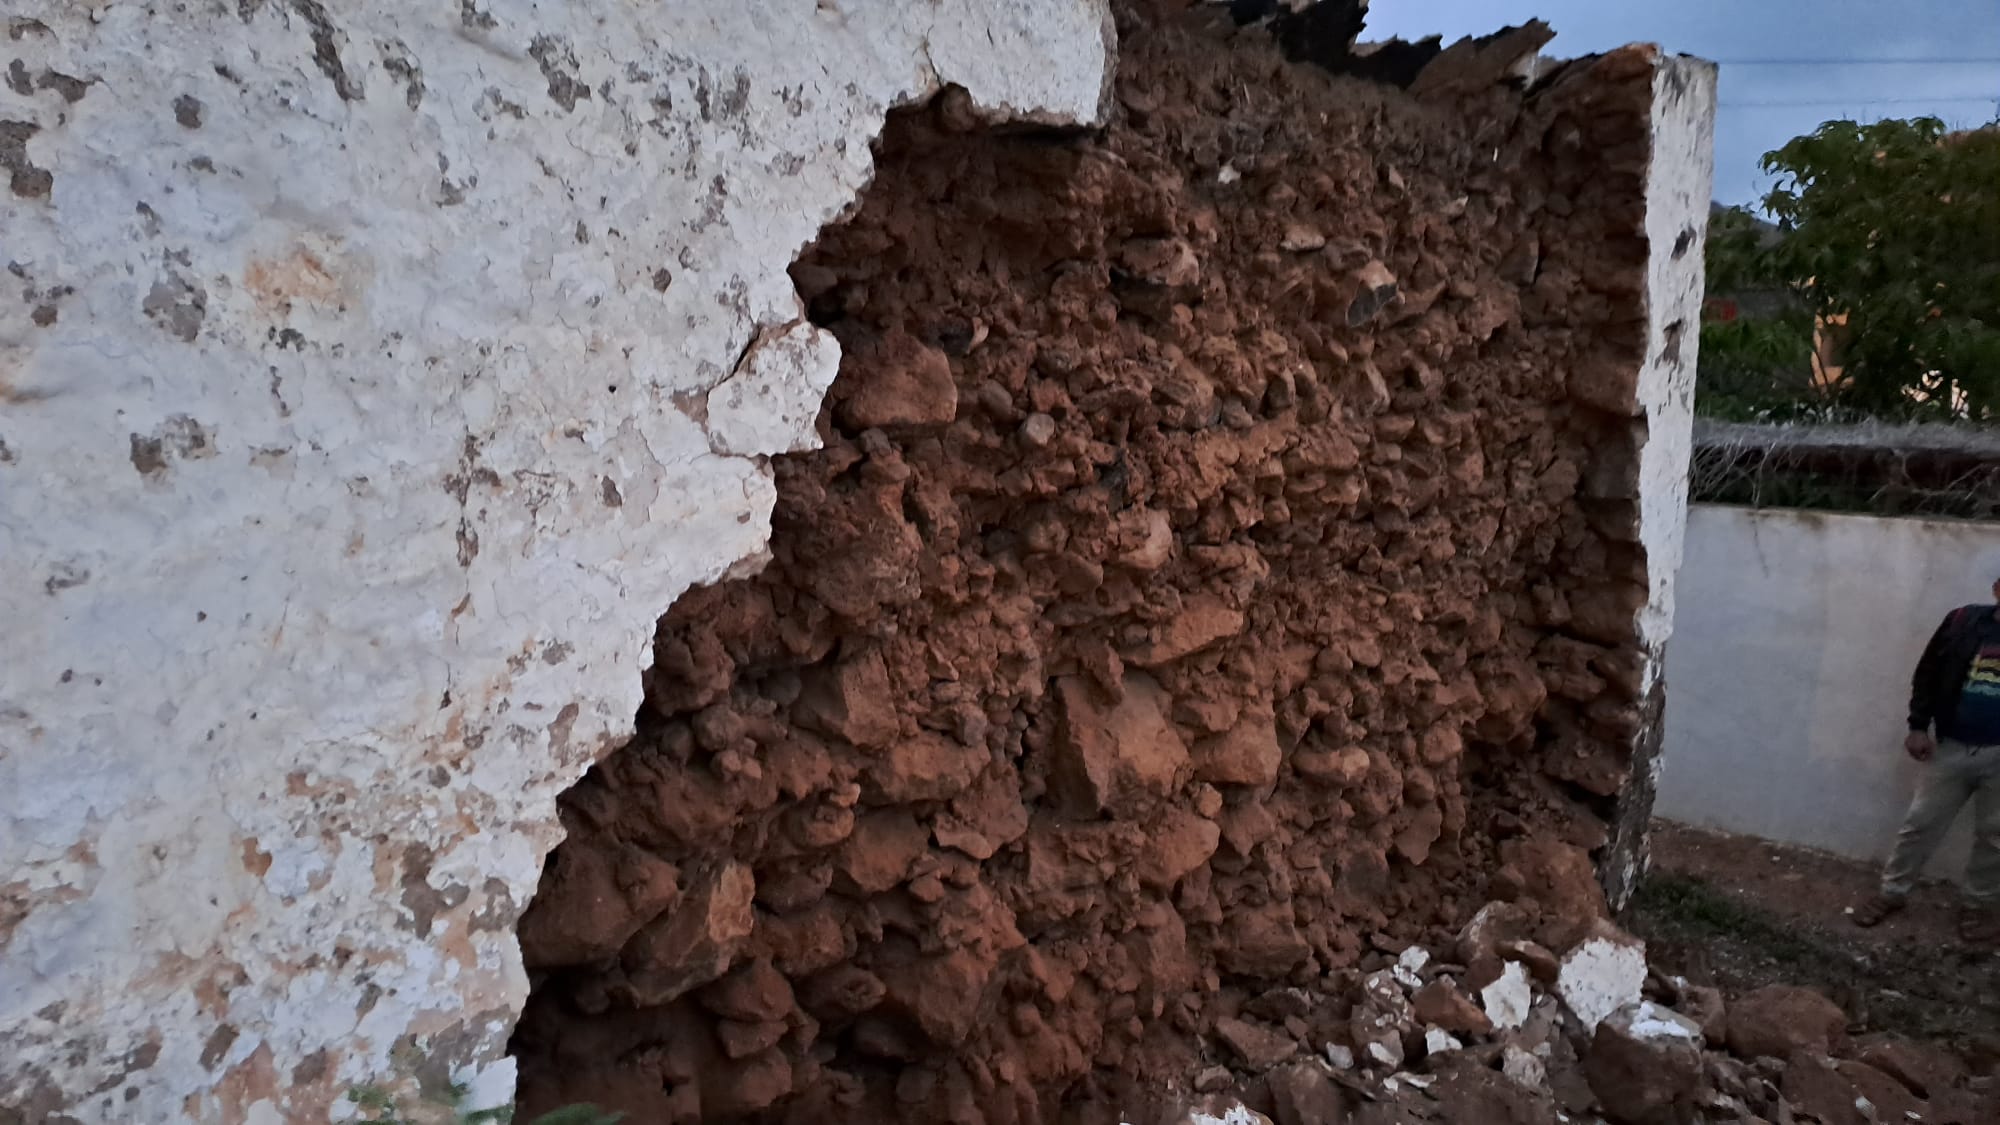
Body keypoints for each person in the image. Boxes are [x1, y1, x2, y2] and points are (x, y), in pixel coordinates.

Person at [1851, 576, 2000, 943]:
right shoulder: (1963, 621)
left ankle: (1979, 906)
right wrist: (1918, 725)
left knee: (1995, 837)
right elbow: (1928, 673)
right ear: (1997, 589)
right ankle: (1892, 893)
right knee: (1920, 823)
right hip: (1951, 747)